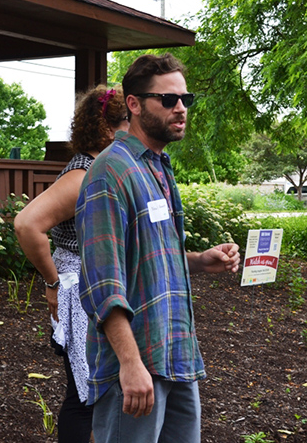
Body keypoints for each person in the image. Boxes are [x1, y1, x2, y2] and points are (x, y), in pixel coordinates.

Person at [75, 53, 241, 443]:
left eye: (186, 99)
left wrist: (199, 261)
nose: (180, 108)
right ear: (133, 104)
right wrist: (130, 364)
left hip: (176, 356)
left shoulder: (157, 166)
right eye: (167, 100)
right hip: (136, 368)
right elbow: (104, 282)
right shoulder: (109, 173)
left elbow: (147, 255)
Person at [14, 84, 128, 443]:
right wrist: (52, 282)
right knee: (86, 397)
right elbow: (26, 224)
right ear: (109, 129)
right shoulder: (82, 176)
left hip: (98, 286)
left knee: (99, 393)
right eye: (130, 121)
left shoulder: (102, 168)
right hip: (81, 290)